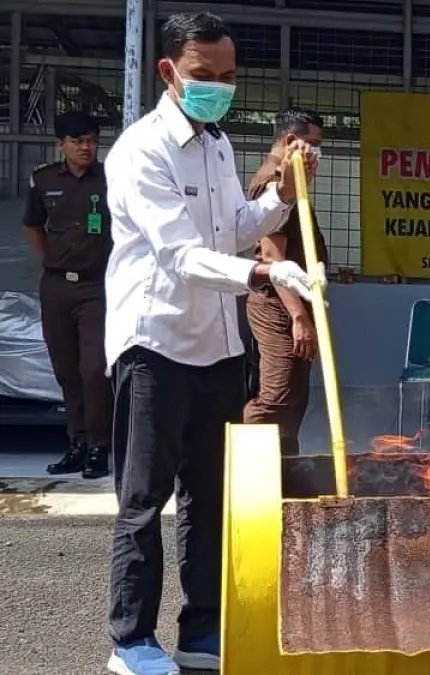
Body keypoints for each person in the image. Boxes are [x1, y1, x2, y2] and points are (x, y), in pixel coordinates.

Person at [102, 12, 319, 675]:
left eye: (228, 77)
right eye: (205, 77)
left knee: (208, 494)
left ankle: (201, 630)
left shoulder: (218, 145)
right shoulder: (140, 151)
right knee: (144, 498)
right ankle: (131, 639)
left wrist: (283, 191)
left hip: (218, 349)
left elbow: (234, 225)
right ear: (169, 72)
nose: (219, 88)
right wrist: (265, 270)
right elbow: (180, 255)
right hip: (156, 344)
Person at [24, 111, 113, 479]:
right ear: (61, 144)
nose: (86, 148)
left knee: (94, 369)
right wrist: (52, 261)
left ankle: (99, 447)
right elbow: (33, 225)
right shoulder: (44, 179)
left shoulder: (110, 179)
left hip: (97, 286)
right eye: (77, 141)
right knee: (66, 369)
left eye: (92, 140)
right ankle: (76, 443)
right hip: (58, 285)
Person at [242, 108, 327, 456]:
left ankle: (284, 470)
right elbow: (273, 259)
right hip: (279, 306)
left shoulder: (292, 183)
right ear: (291, 141)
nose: (318, 153)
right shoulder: (273, 185)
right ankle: (249, 474)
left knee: (293, 397)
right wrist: (299, 318)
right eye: (313, 144)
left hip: (295, 304)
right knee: (274, 398)